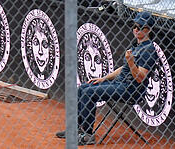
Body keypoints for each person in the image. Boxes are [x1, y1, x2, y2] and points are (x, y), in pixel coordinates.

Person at [57, 12, 159, 145]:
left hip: (131, 90)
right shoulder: (136, 46)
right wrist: (104, 78)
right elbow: (123, 68)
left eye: (140, 27)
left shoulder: (149, 50)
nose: (136, 29)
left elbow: (140, 77)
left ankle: (88, 135)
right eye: (134, 26)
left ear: (148, 29)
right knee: (82, 88)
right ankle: (74, 129)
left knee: (89, 93)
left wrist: (131, 63)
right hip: (120, 84)